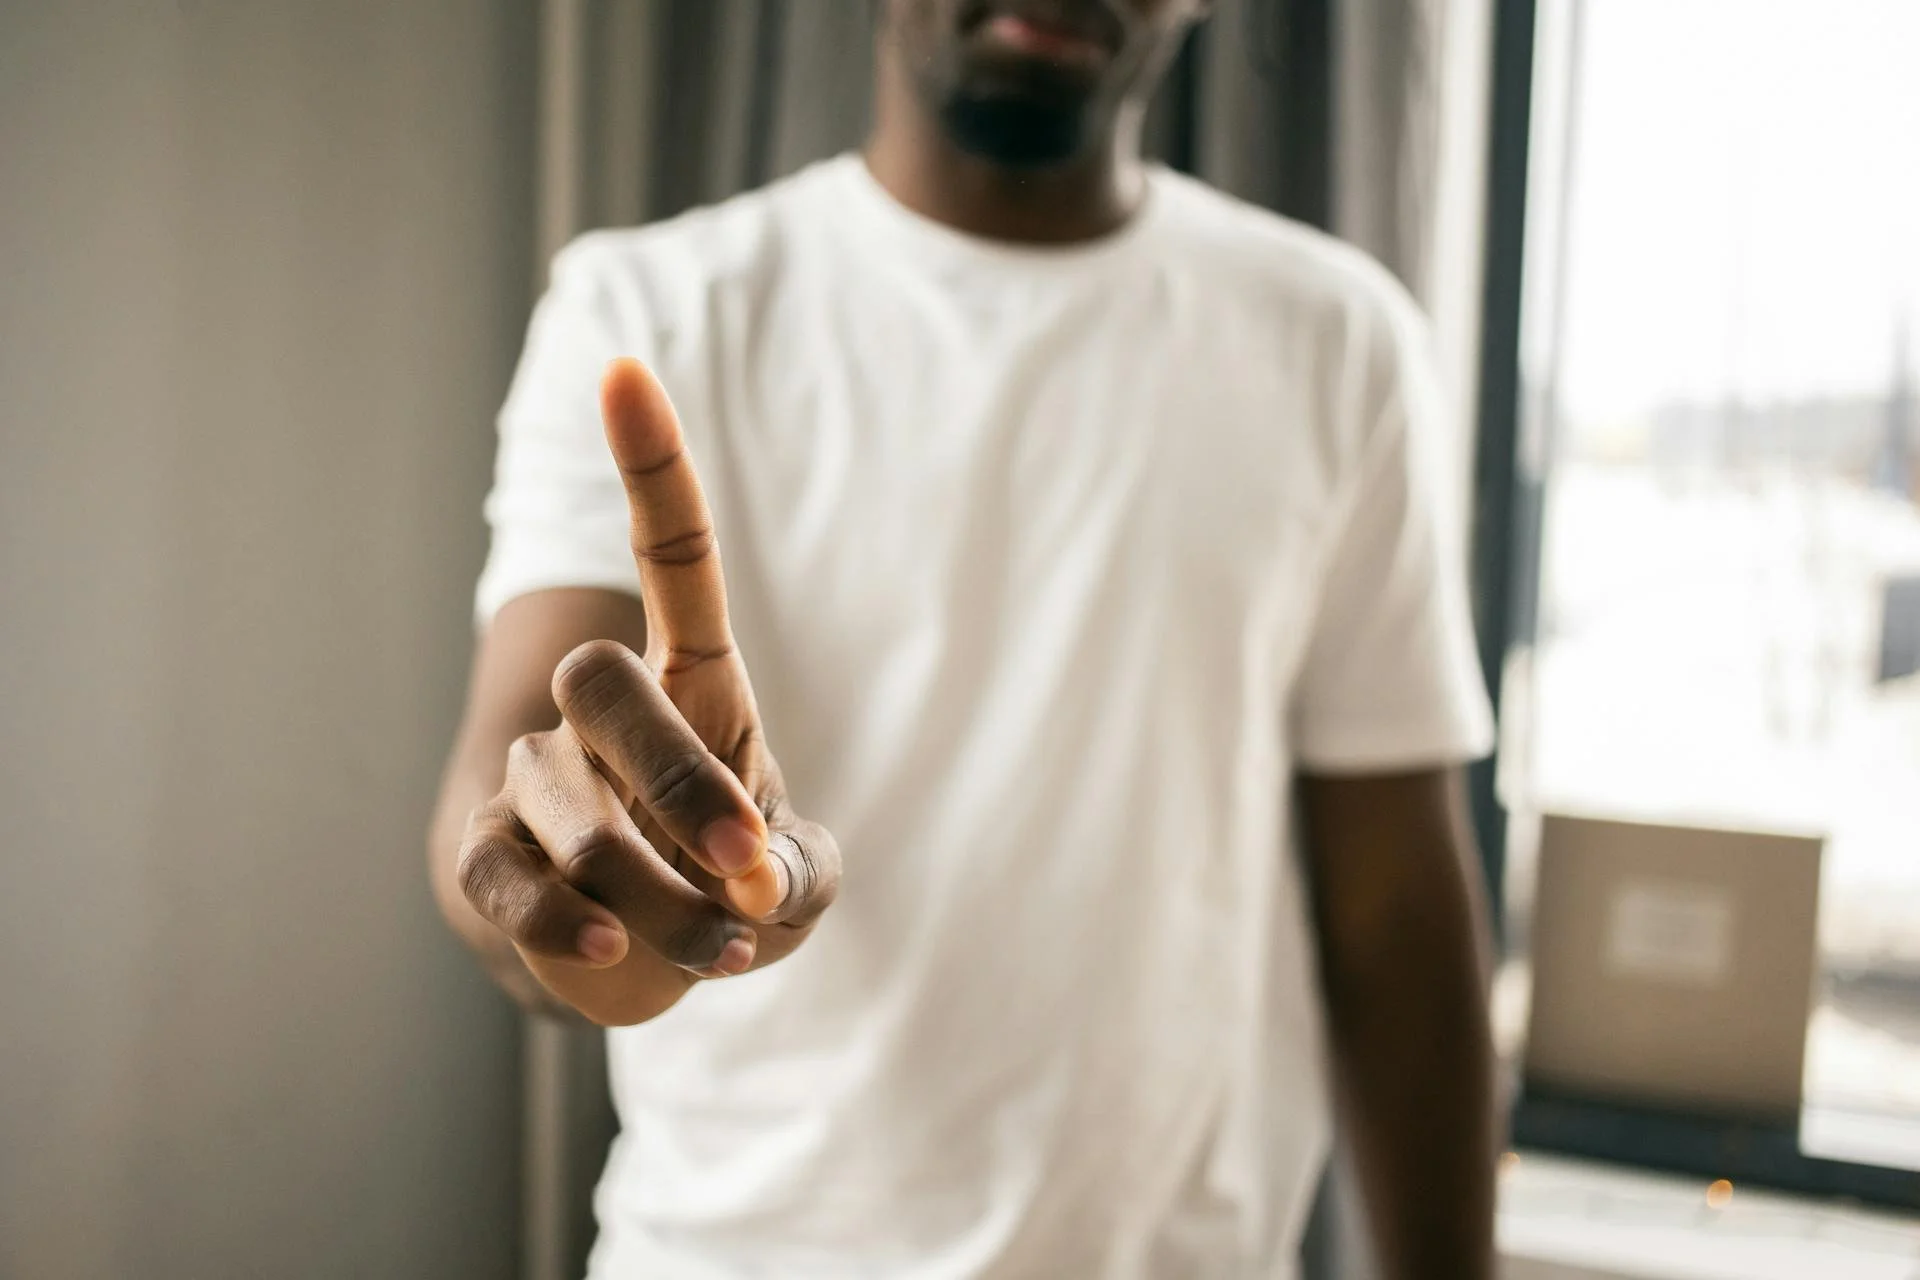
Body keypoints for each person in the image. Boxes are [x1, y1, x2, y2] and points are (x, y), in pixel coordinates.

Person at [428, 1, 1501, 1275]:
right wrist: (596, 892)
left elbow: (1401, 933)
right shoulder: (650, 307)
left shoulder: (1336, 340)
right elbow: (509, 788)